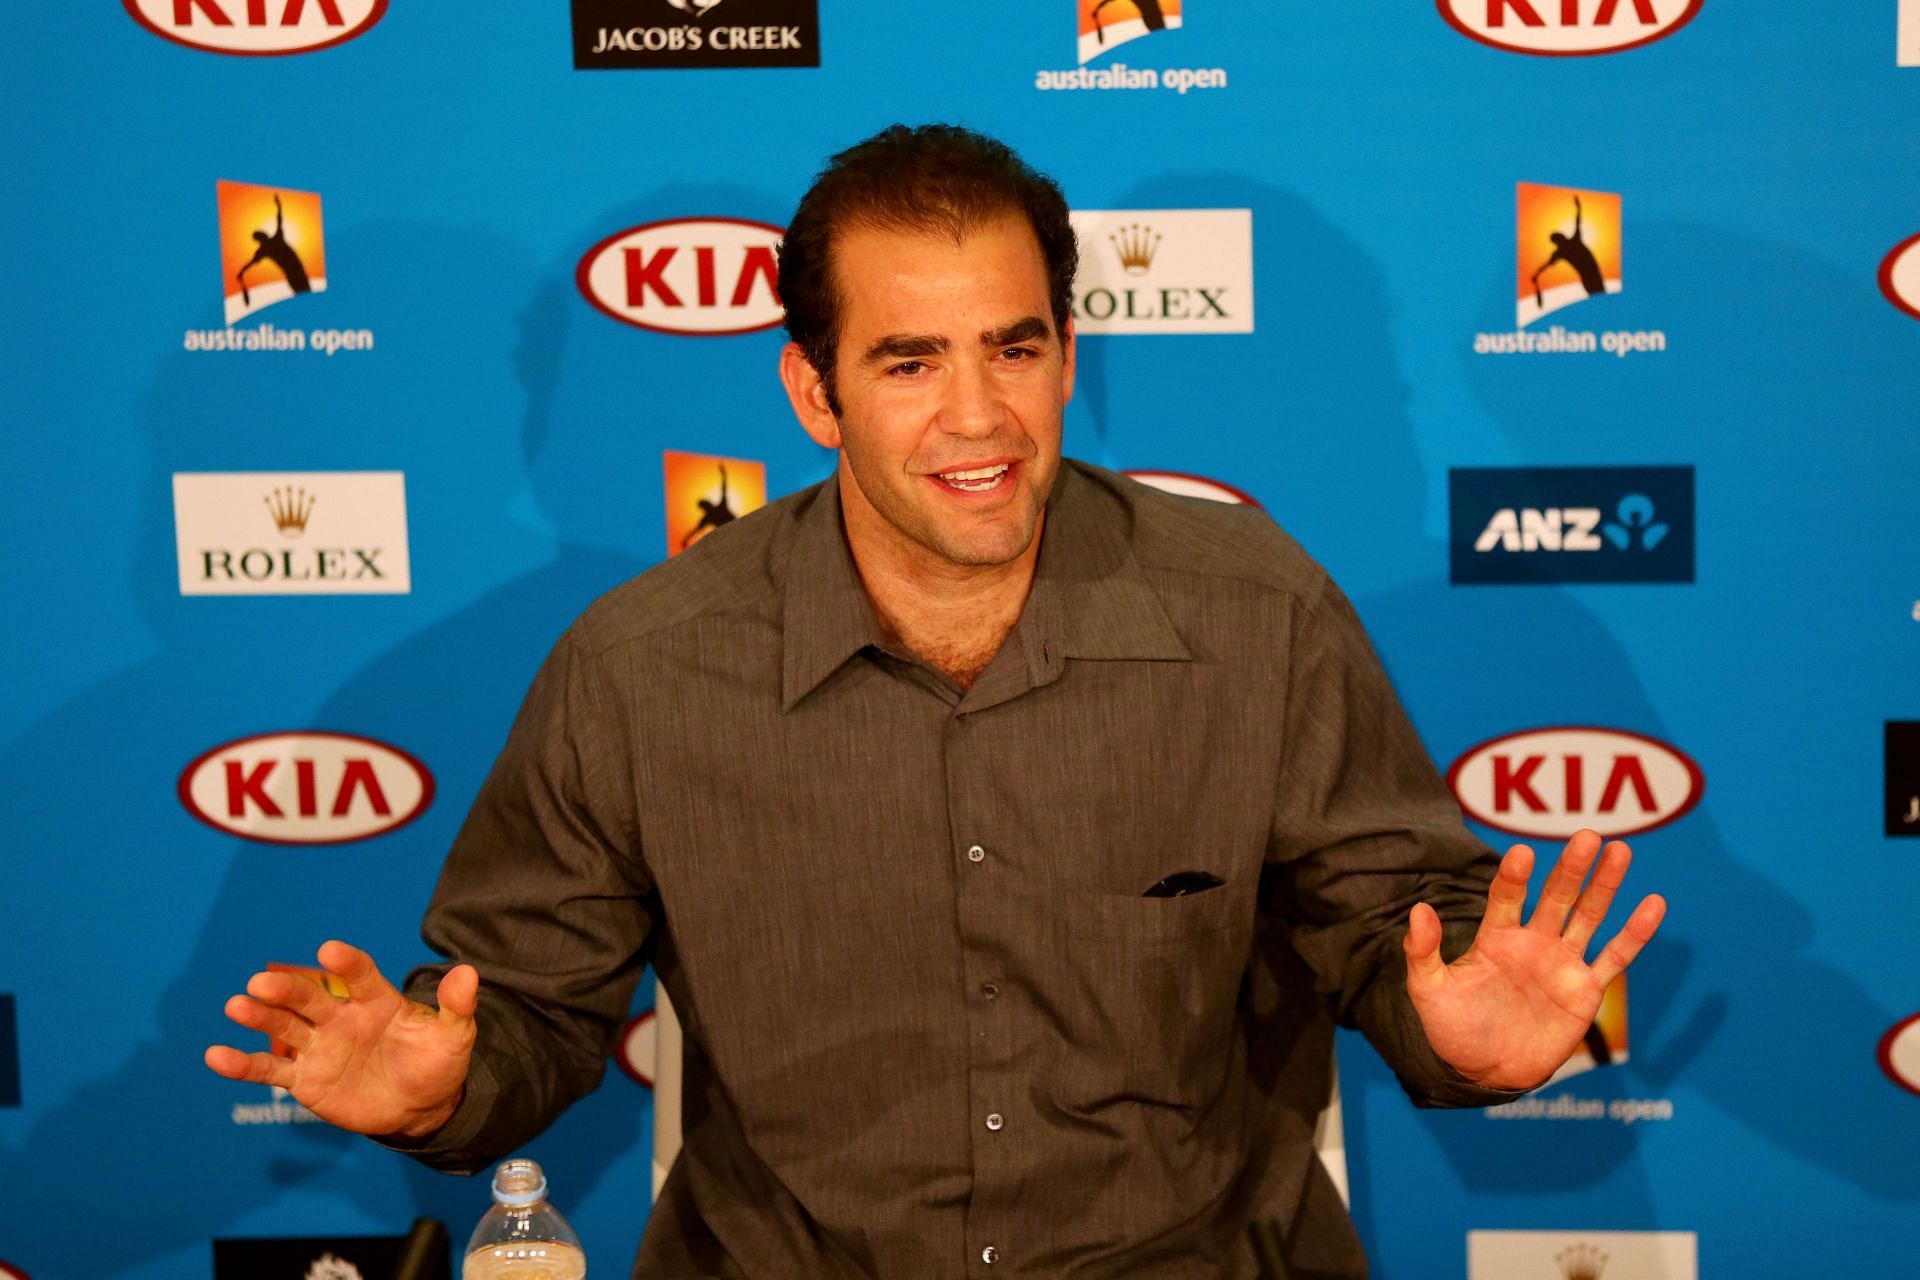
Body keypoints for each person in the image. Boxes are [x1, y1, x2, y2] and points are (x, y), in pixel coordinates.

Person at [206, 124, 1666, 1279]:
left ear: (1067, 354)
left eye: (1015, 348)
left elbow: (1390, 922)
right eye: (910, 362)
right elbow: (525, 1010)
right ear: (811, 391)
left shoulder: (1251, 606)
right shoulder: (644, 667)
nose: (979, 420)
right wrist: (440, 1091)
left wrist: (1457, 1034)